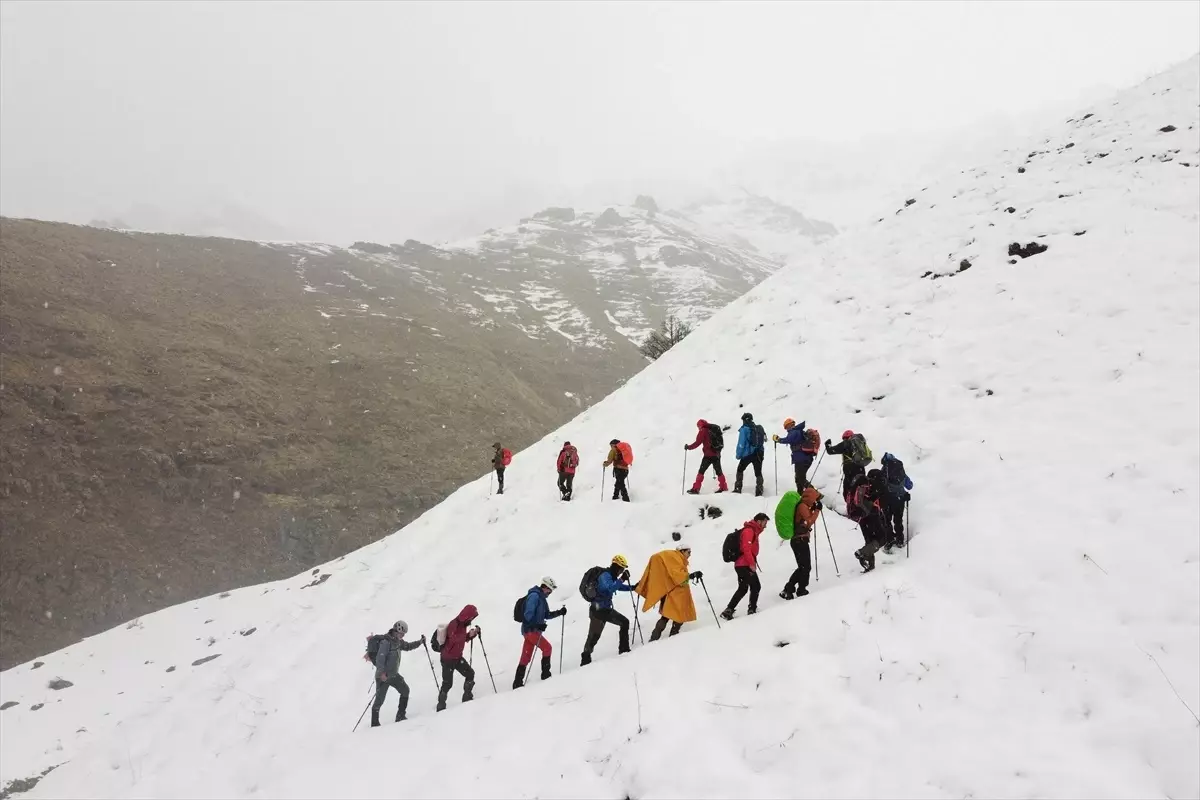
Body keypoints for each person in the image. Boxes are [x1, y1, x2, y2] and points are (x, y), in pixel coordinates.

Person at [635, 540, 701, 640]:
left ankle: (656, 638)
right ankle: (671, 637)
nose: (690, 555)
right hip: (674, 595)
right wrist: (691, 576)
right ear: (682, 551)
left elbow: (677, 576)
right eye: (688, 552)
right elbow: (677, 576)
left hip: (674, 594)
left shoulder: (678, 559)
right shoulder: (676, 558)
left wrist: (689, 576)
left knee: (667, 616)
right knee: (676, 617)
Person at [580, 555, 635, 665]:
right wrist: (622, 579)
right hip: (599, 611)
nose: (621, 571)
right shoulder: (605, 576)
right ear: (617, 567)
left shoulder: (610, 576)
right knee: (596, 635)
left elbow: (617, 587)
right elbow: (610, 588)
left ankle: (586, 659)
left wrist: (633, 587)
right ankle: (623, 650)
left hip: (601, 609)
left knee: (594, 636)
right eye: (621, 569)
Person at [513, 577, 567, 689]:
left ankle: (517, 683)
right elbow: (528, 615)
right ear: (545, 587)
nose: (550, 592)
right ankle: (546, 675)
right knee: (547, 648)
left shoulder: (542, 599)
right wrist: (537, 625)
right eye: (550, 590)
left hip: (531, 631)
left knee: (526, 656)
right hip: (530, 631)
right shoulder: (534, 596)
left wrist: (560, 612)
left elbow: (547, 615)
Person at [370, 621, 425, 727]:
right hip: (383, 676)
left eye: (404, 634)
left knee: (405, 690)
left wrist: (420, 642)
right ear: (396, 631)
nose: (403, 636)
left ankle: (400, 715)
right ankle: (374, 723)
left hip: (393, 675)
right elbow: (380, 659)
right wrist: (382, 673)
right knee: (379, 700)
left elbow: (408, 646)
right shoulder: (386, 642)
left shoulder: (398, 642)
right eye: (402, 633)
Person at [720, 513, 768, 620]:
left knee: (743, 588)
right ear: (759, 521)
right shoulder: (749, 531)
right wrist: (751, 563)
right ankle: (752, 609)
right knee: (756, 586)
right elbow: (746, 548)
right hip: (744, 564)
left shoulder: (752, 530)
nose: (766, 525)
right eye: (765, 522)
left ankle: (728, 610)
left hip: (741, 564)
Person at [436, 605, 481, 712]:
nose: (471, 620)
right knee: (447, 683)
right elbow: (454, 638)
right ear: (466, 616)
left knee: (470, 674)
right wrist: (469, 634)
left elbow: (461, 639)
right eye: (471, 618)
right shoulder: (454, 624)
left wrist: (471, 634)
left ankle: (467, 697)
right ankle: (441, 706)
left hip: (457, 658)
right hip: (447, 659)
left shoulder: (463, 625)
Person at [780, 487, 823, 600]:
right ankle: (798, 589)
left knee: (803, 567)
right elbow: (808, 522)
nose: (815, 501)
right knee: (805, 567)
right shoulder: (802, 506)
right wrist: (817, 510)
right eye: (815, 498)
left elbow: (804, 520)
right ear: (811, 497)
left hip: (798, 540)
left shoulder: (803, 505)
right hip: (800, 540)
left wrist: (813, 509)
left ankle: (791, 588)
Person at [847, 471, 888, 573]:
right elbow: (881, 501)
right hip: (871, 513)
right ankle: (862, 553)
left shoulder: (859, 484)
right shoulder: (874, 484)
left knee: (869, 540)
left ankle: (870, 565)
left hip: (861, 515)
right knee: (882, 538)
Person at [772, 418, 818, 491]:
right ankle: (800, 493)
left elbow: (788, 439)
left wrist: (778, 439)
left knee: (801, 479)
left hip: (801, 459)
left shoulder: (794, 431)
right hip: (806, 458)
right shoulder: (799, 431)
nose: (787, 429)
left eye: (786, 427)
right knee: (798, 478)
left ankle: (815, 494)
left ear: (790, 425)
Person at [825, 430, 872, 500]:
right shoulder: (860, 444)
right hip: (861, 468)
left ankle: (851, 504)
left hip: (850, 469)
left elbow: (831, 451)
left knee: (848, 491)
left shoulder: (847, 443)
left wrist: (827, 445)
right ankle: (861, 503)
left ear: (845, 437)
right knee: (860, 488)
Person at [880, 452, 913, 552]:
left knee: (887, 520)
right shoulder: (900, 470)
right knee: (898, 520)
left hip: (888, 499)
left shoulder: (884, 470)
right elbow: (910, 486)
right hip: (900, 499)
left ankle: (889, 540)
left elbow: (880, 486)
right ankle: (900, 540)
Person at [685, 419, 728, 494]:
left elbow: (697, 442)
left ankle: (696, 488)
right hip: (716, 454)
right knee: (719, 471)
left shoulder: (703, 431)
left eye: (698, 426)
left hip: (708, 455)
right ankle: (723, 486)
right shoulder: (712, 429)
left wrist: (688, 447)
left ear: (700, 425)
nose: (698, 428)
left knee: (701, 471)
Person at [733, 413, 765, 496]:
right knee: (758, 472)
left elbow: (741, 443)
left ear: (744, 420)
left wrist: (738, 455)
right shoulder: (759, 428)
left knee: (740, 469)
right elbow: (764, 439)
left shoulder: (744, 429)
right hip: (759, 453)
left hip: (748, 454)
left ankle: (738, 488)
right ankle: (759, 490)